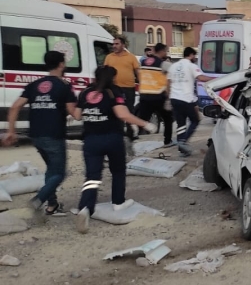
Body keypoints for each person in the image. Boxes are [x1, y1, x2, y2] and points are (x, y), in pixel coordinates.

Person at [70, 65, 156, 234]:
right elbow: (122, 114)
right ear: (112, 78)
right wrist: (145, 124)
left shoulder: (85, 93)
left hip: (91, 140)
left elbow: (77, 115)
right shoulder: (114, 92)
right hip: (112, 138)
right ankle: (118, 202)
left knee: (92, 177)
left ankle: (85, 208)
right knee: (118, 171)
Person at [1, 51, 77, 217]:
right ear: (62, 64)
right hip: (54, 134)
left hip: (36, 135)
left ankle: (52, 205)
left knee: (51, 169)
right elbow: (73, 111)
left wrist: (11, 131)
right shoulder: (64, 86)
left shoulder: (34, 85)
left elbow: (15, 107)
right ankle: (38, 200)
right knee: (59, 173)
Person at [167, 47, 213, 156]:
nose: (195, 58)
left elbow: (168, 83)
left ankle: (182, 149)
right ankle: (183, 142)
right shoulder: (191, 66)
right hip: (187, 99)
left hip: (174, 98)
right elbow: (201, 78)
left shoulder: (173, 66)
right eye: (194, 56)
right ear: (191, 55)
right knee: (195, 120)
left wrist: (169, 97)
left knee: (180, 124)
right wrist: (214, 79)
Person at [137, 43, 174, 147]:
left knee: (142, 120)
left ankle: (132, 138)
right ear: (161, 51)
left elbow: (140, 76)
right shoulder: (164, 64)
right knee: (167, 119)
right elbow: (168, 82)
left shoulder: (143, 62)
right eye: (165, 51)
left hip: (144, 95)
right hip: (158, 96)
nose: (166, 53)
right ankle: (167, 141)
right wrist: (168, 98)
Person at [105, 35, 140, 146]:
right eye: (113, 44)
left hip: (128, 88)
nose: (114, 46)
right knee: (116, 112)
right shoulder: (109, 57)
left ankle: (130, 136)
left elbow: (138, 72)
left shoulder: (131, 57)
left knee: (129, 111)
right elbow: (105, 72)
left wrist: (142, 84)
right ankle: (118, 134)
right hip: (114, 89)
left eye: (117, 44)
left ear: (123, 45)